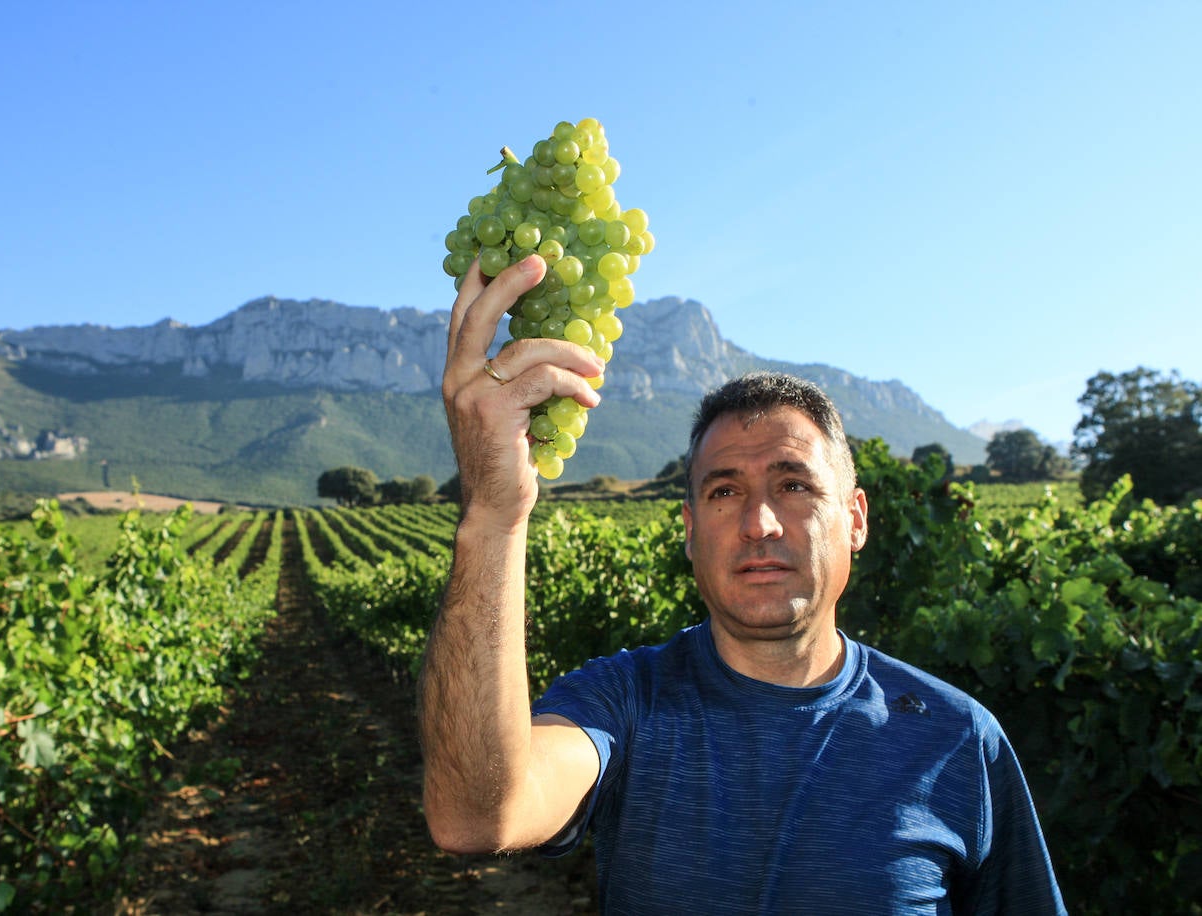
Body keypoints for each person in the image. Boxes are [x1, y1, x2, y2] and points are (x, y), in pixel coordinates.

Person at [419, 254, 1066, 914]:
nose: (758, 523)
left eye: (793, 486)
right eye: (725, 491)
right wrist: (494, 513)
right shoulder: (625, 702)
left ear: (855, 519)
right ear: (690, 529)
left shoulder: (958, 738)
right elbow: (474, 818)